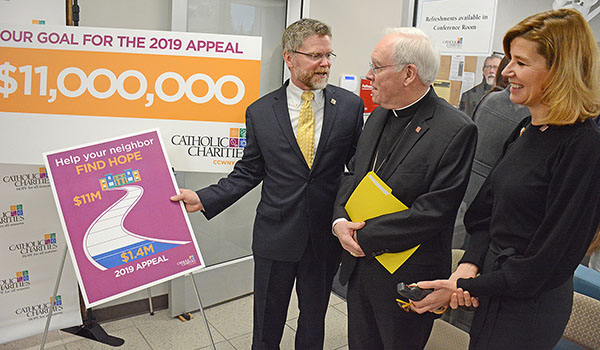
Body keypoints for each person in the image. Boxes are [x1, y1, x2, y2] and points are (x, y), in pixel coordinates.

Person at [412, 9, 600, 350]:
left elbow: (549, 260)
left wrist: (465, 288)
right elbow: (485, 211)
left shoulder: (584, 146)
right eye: (509, 59)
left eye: (521, 62)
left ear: (560, 71)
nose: (506, 71)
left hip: (529, 309)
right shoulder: (526, 128)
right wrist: (469, 265)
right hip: (496, 287)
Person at [171, 18, 364, 350]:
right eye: (317, 56)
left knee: (314, 319)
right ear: (290, 58)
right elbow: (249, 170)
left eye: (329, 56)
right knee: (267, 323)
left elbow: (356, 171)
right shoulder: (260, 112)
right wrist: (203, 198)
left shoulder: (349, 107)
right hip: (276, 235)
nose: (325, 64)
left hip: (324, 236)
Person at [331, 27, 477, 349]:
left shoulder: (455, 130)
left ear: (409, 73)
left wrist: (361, 235)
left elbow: (432, 212)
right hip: (360, 268)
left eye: (377, 67)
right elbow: (353, 174)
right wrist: (340, 221)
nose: (369, 75)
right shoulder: (377, 117)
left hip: (407, 278)